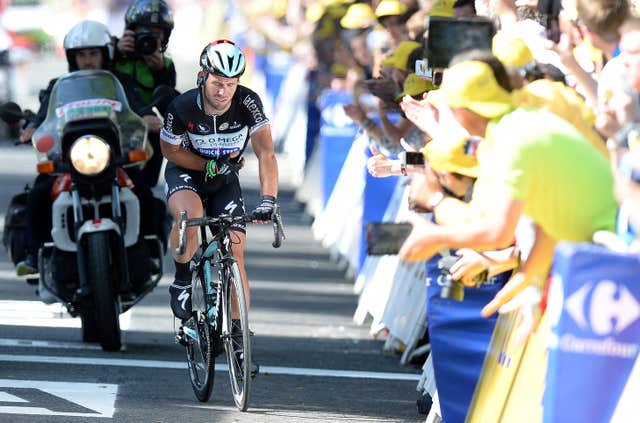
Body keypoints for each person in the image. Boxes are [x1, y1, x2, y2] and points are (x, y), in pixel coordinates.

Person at [398, 58, 618, 315]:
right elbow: (544, 224)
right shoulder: (513, 127)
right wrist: (529, 280)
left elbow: (497, 231)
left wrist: (436, 207)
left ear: (462, 112)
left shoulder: (510, 139)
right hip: (606, 249)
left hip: (615, 249)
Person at [160, 39, 279, 374]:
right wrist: (205, 165)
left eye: (230, 84)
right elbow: (170, 152)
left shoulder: (248, 103)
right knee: (191, 218)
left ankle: (240, 341)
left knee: (235, 253)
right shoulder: (182, 107)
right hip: (187, 173)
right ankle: (182, 280)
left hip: (225, 179)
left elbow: (266, 153)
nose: (224, 92)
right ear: (202, 77)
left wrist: (268, 199)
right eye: (217, 84)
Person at [16, 20, 161, 276]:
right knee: (39, 194)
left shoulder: (120, 83)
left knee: (144, 193)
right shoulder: (58, 86)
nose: (88, 60)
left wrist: (148, 118)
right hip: (68, 160)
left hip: (112, 158)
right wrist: (31, 129)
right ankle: (33, 254)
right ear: (72, 57)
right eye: (81, 55)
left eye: (93, 53)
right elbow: (42, 117)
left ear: (106, 54)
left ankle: (148, 250)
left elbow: (138, 108)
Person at [114, 0, 176, 187]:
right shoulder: (111, 51)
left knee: (157, 135)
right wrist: (115, 53)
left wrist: (159, 72)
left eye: (156, 34)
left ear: (164, 38)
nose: (149, 38)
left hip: (144, 129)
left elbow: (168, 102)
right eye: (144, 31)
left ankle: (144, 191)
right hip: (110, 121)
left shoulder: (165, 64)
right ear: (131, 31)